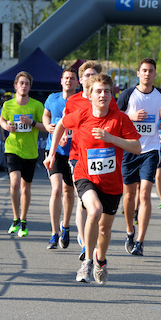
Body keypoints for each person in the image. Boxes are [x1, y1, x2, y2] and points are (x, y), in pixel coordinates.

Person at [63, 74, 141, 284]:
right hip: (85, 176)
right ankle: (86, 262)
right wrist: (53, 152)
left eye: (107, 91)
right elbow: (62, 122)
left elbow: (137, 146)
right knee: (94, 210)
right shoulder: (81, 115)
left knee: (105, 229)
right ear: (89, 94)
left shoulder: (119, 119)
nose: (103, 95)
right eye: (98, 91)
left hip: (112, 183)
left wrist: (111, 139)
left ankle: (101, 260)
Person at [45, 61, 109, 261]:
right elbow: (63, 123)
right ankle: (83, 242)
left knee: (97, 206)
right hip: (76, 157)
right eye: (87, 75)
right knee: (81, 200)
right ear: (81, 80)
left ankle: (84, 238)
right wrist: (53, 150)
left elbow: (115, 121)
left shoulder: (106, 99)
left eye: (94, 75)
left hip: (100, 158)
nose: (91, 79)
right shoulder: (73, 101)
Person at [117, 58, 161, 257]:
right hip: (130, 149)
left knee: (145, 193)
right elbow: (115, 115)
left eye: (151, 71)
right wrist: (130, 118)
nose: (147, 74)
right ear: (138, 73)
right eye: (144, 70)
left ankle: (140, 241)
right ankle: (130, 231)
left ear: (155, 74)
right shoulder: (128, 94)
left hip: (151, 149)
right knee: (129, 195)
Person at [0, 72, 46, 237]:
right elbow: (2, 119)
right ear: (15, 85)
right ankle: (15, 218)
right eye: (21, 83)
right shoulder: (8, 105)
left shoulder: (37, 106)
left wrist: (32, 123)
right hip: (12, 148)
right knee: (15, 183)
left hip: (31, 151)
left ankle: (24, 221)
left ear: (30, 87)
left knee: (26, 188)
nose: (24, 86)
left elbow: (45, 126)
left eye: (27, 83)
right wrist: (6, 127)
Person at [42, 68, 79, 249]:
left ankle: (65, 226)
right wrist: (47, 125)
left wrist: (70, 133)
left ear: (77, 82)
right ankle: (54, 232)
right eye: (66, 78)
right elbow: (46, 114)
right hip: (54, 150)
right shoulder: (52, 98)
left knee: (68, 192)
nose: (69, 81)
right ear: (61, 80)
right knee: (56, 190)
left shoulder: (80, 101)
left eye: (72, 78)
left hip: (73, 152)